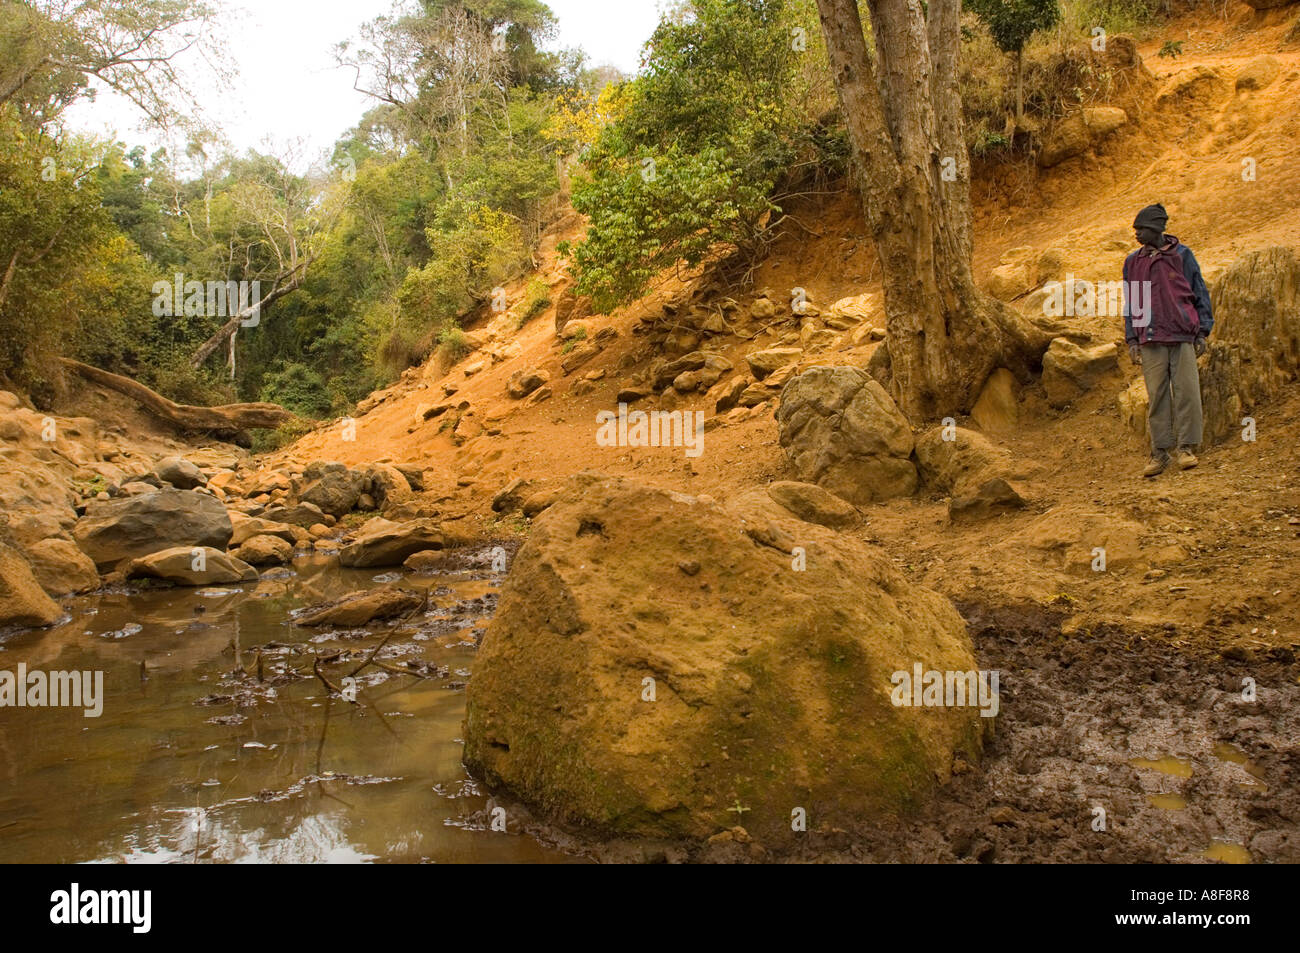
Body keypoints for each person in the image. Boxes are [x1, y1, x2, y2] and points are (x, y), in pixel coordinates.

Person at [1122, 204, 1214, 477]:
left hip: (1182, 335)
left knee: (1187, 392)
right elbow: (1132, 303)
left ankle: (1186, 448)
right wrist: (1132, 339)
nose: (1137, 234)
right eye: (1136, 229)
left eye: (1142, 229)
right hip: (1150, 339)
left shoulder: (1183, 256)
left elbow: (1200, 292)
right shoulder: (1133, 262)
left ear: (1157, 229)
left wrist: (1202, 331)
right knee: (1157, 396)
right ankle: (1160, 453)